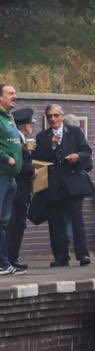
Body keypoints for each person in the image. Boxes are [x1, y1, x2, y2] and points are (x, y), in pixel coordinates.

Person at [32, 104, 95, 267]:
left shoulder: (74, 132)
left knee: (77, 220)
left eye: (55, 115)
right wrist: (51, 146)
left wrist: (78, 156)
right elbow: (38, 157)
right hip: (53, 185)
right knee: (55, 222)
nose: (52, 119)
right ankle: (61, 256)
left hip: (73, 183)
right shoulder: (42, 136)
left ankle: (83, 255)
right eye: (49, 116)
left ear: (62, 116)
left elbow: (87, 151)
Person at [6, 108, 36, 272]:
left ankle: (12, 258)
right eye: (30, 123)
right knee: (15, 225)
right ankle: (10, 258)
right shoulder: (17, 139)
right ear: (25, 125)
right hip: (19, 189)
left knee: (18, 224)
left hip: (21, 190)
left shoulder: (22, 139)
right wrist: (33, 170)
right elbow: (19, 163)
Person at [0, 84, 22, 276]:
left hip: (10, 178)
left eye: (15, 93)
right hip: (1, 176)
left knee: (3, 222)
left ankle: (5, 263)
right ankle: (3, 263)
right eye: (10, 93)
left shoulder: (10, 118)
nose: (14, 96)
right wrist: (7, 158)